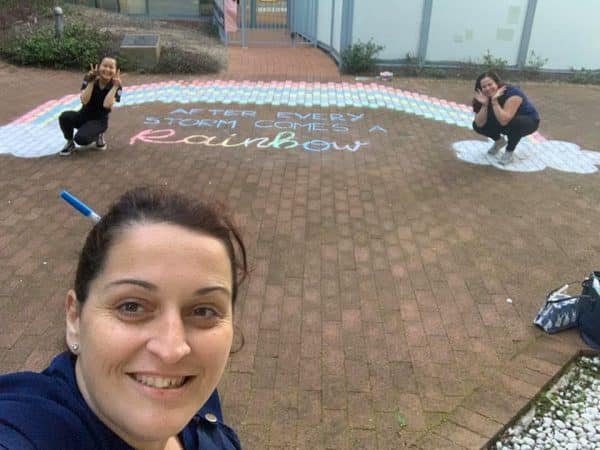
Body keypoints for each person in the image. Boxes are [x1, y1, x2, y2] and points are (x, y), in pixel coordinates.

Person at [0, 186, 246, 449]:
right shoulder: (28, 430)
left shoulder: (191, 393)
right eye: (131, 307)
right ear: (74, 318)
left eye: (203, 311)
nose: (172, 350)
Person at [58, 56, 123, 156]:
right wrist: (91, 81)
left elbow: (106, 105)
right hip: (83, 116)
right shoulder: (89, 78)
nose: (107, 69)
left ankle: (98, 134)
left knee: (80, 139)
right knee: (64, 117)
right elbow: (84, 100)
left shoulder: (116, 85)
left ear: (116, 70)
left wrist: (115, 86)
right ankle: (70, 143)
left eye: (111, 67)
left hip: (99, 121)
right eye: (104, 66)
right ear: (98, 67)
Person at [472, 70, 540, 165]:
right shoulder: (483, 97)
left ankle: (509, 151)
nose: (487, 88)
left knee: (515, 123)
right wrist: (485, 105)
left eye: (490, 84)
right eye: (484, 87)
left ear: (497, 83)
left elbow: (504, 121)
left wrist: (494, 101)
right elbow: (479, 124)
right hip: (505, 119)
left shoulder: (513, 93)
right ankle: (499, 141)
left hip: (529, 120)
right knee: (476, 124)